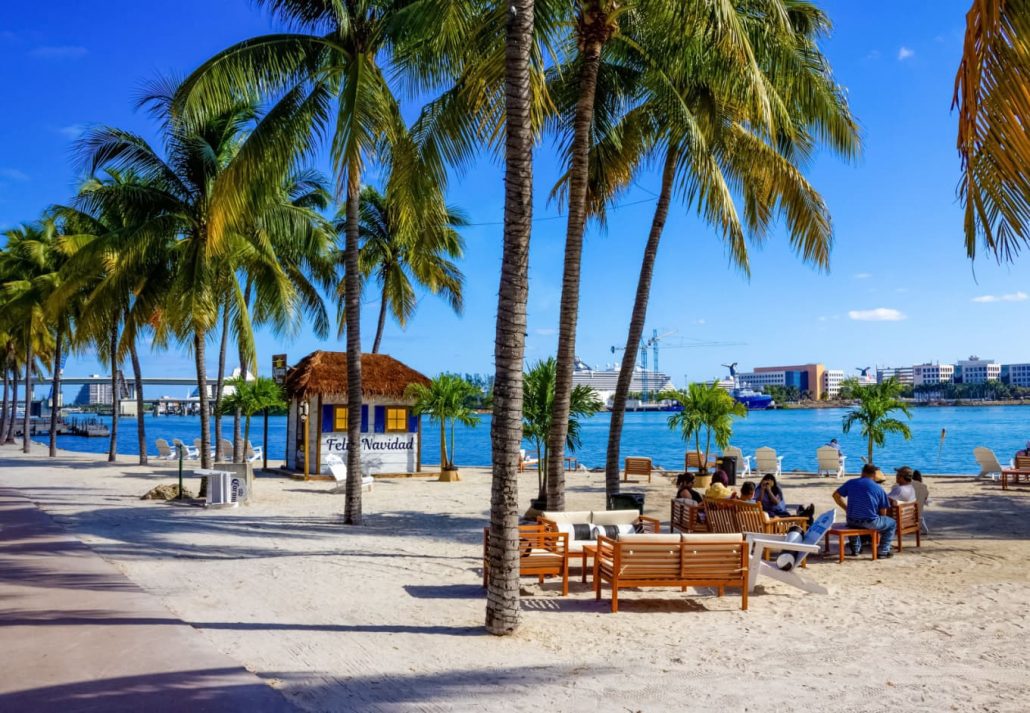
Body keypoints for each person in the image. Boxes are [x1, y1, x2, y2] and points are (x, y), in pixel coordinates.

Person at [833, 464, 895, 558]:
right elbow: (883, 510)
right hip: (869, 522)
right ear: (874, 474)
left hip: (851, 520)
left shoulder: (851, 483)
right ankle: (883, 551)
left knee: (853, 523)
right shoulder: (878, 488)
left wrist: (846, 508)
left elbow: (836, 496)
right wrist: (882, 520)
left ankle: (855, 548)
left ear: (862, 472)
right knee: (892, 523)